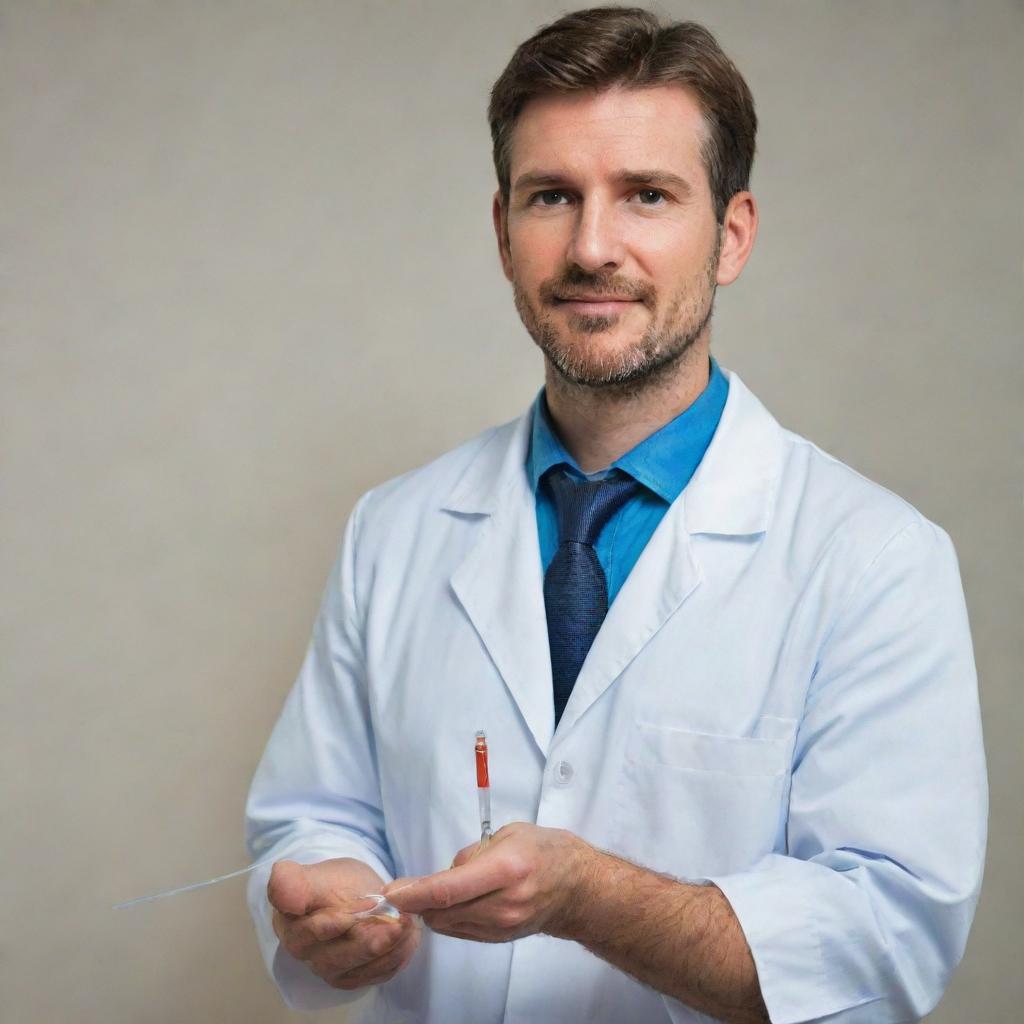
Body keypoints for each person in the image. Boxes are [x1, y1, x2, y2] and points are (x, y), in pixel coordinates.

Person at [244, 7, 987, 1023]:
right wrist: (327, 898)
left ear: (729, 235)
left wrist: (588, 896)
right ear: (504, 232)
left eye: (645, 195)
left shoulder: (876, 558)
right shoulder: (395, 528)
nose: (593, 247)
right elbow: (313, 816)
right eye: (552, 196)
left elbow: (886, 939)